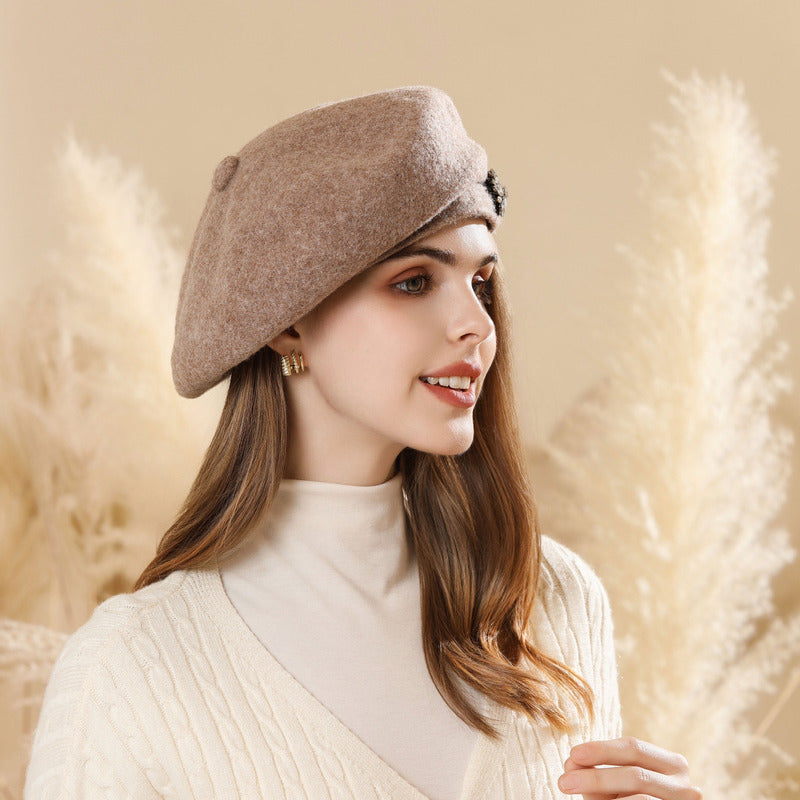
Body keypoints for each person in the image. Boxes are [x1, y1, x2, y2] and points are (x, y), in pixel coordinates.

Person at [24, 85, 702, 800]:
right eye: (414, 282)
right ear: (287, 324)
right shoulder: (129, 671)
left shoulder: (554, 600)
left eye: (480, 282)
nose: (477, 325)